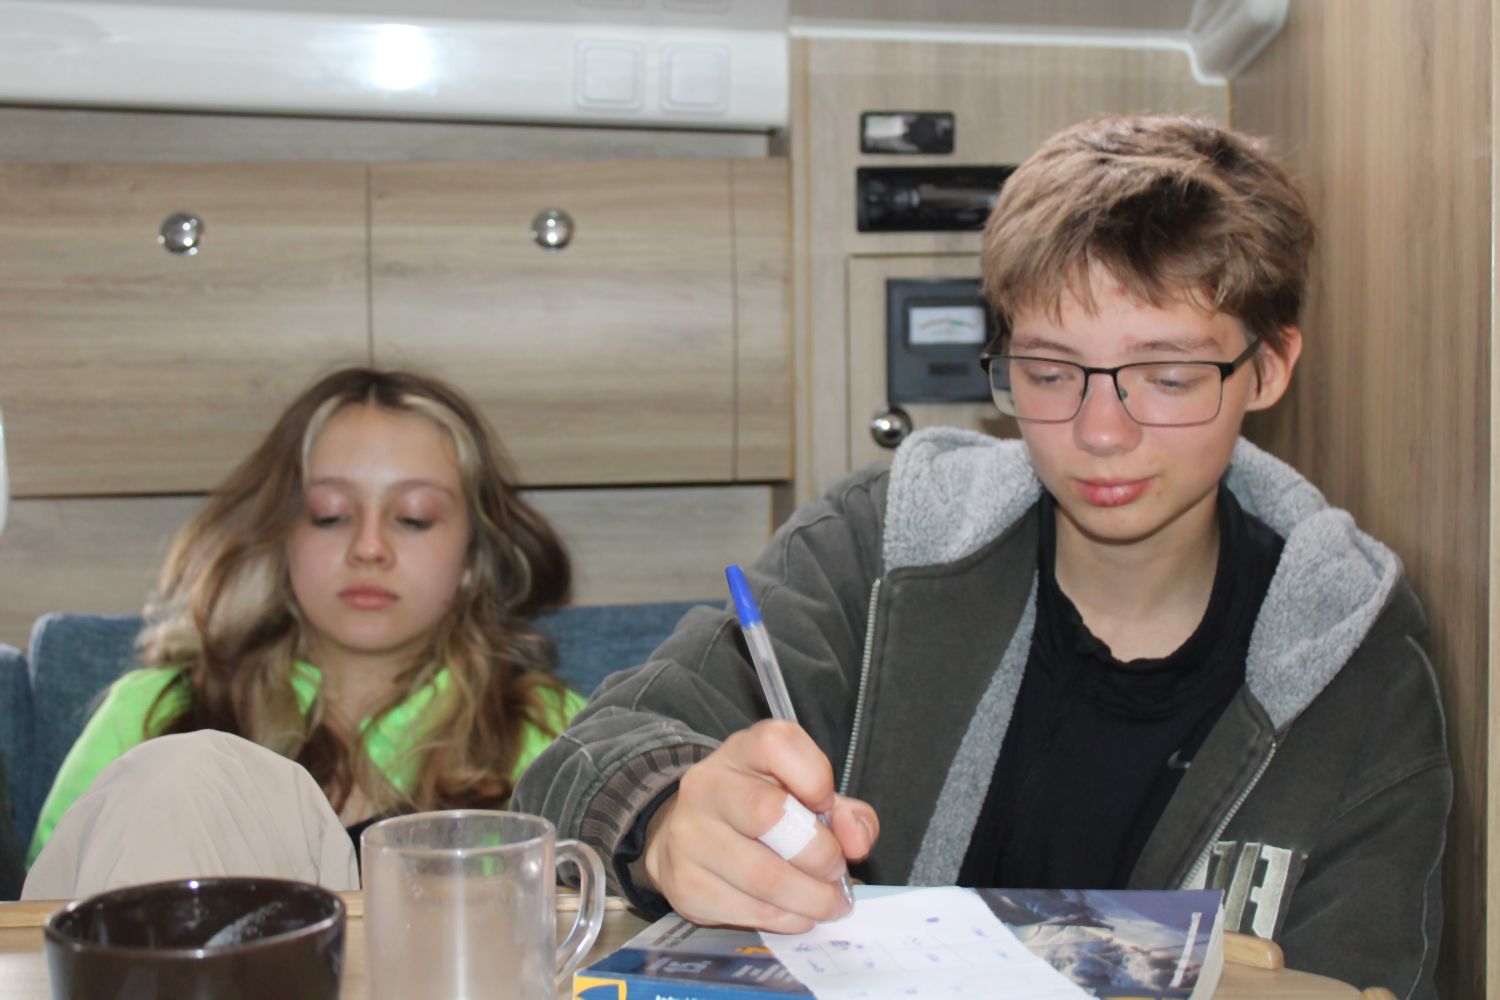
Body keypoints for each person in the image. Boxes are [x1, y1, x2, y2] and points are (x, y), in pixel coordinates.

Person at [513, 114, 1451, 998]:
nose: (1101, 433)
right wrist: (669, 817)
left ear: (1270, 367)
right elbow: (580, 764)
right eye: (1048, 373)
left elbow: (1363, 977)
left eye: (1167, 377)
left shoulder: (1359, 670)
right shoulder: (876, 550)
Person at [24, 367, 582, 897]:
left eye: (413, 518)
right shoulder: (151, 711)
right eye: (329, 515)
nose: (369, 547)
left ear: (473, 556)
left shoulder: (556, 730)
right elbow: (36, 924)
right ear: (281, 535)